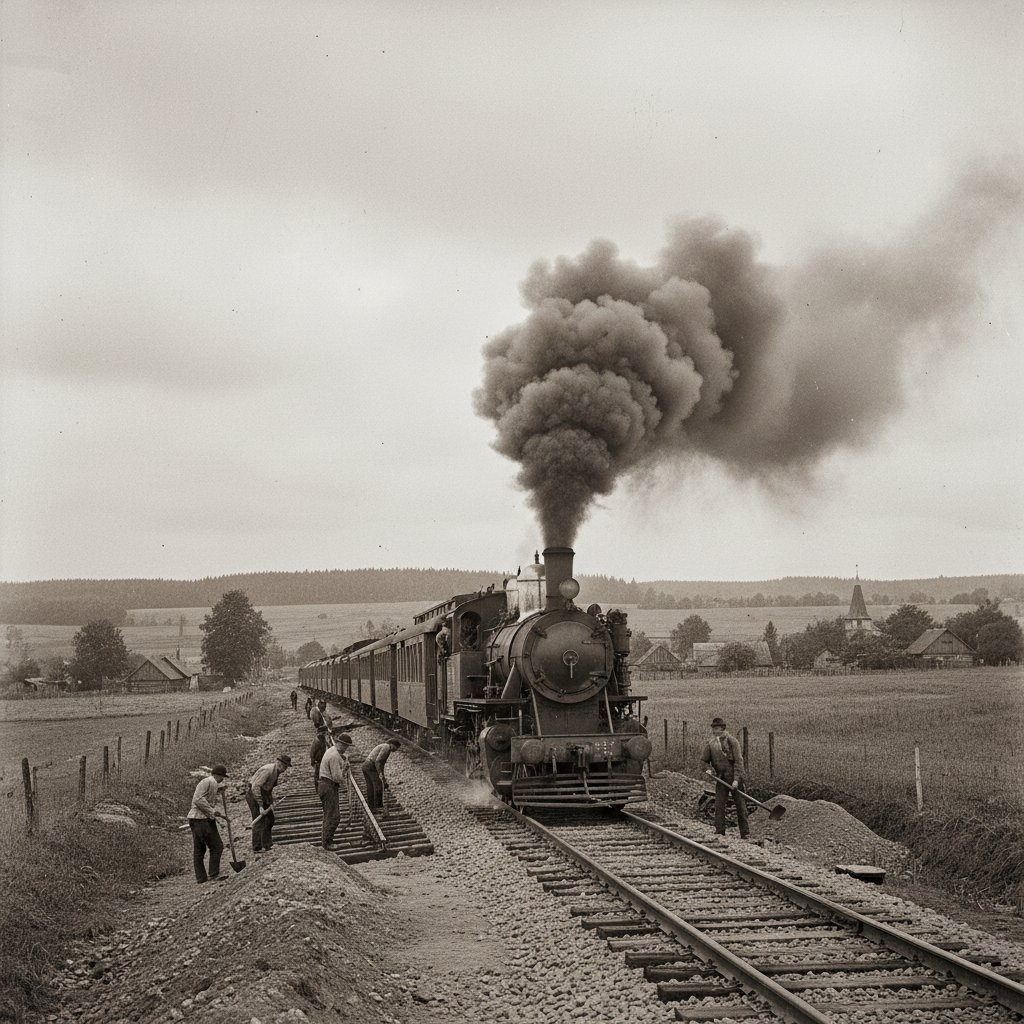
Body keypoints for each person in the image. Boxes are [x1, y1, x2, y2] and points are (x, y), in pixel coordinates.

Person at [699, 717, 749, 839]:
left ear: (723, 728)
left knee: (740, 805)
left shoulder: (732, 741)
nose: (715, 731)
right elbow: (704, 761)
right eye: (714, 729)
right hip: (721, 778)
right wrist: (708, 769)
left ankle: (745, 833)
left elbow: (739, 762)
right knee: (719, 804)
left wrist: (736, 780)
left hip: (734, 776)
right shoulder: (711, 744)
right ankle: (720, 830)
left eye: (718, 728)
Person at [187, 764, 229, 884]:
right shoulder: (210, 782)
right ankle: (213, 874)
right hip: (201, 819)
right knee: (217, 846)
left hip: (196, 819)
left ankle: (201, 878)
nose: (222, 780)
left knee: (199, 849)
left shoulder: (209, 783)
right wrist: (212, 811)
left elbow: (204, 798)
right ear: (218, 775)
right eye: (222, 777)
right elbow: (198, 799)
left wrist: (215, 815)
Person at [245, 754, 292, 853]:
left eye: (286, 767)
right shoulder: (268, 770)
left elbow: (268, 789)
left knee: (270, 818)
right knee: (259, 820)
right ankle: (257, 847)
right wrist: (261, 806)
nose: (285, 769)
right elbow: (255, 787)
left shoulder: (276, 772)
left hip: (263, 794)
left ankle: (267, 844)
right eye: (285, 766)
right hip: (254, 795)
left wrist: (270, 803)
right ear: (279, 763)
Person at [318, 731, 353, 849]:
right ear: (341, 744)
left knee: (331, 815)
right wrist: (345, 769)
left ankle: (327, 841)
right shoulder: (334, 756)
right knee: (333, 816)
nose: (346, 749)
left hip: (326, 785)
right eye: (346, 746)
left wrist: (343, 762)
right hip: (328, 786)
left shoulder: (332, 751)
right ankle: (327, 843)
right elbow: (337, 777)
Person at [361, 738, 400, 810]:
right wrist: (380, 774)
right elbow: (378, 761)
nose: (396, 750)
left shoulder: (383, 746)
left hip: (365, 766)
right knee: (378, 784)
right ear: (392, 744)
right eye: (396, 748)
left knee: (371, 786)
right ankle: (378, 806)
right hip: (370, 766)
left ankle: (371, 805)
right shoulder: (387, 747)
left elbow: (381, 763)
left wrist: (382, 775)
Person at [309, 725, 329, 792]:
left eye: (325, 733)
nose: (324, 734)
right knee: (317, 775)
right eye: (323, 733)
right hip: (318, 761)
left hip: (322, 760)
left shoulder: (322, 739)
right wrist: (313, 762)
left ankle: (322, 788)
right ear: (319, 733)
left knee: (323, 775)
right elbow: (312, 752)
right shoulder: (317, 741)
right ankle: (318, 789)